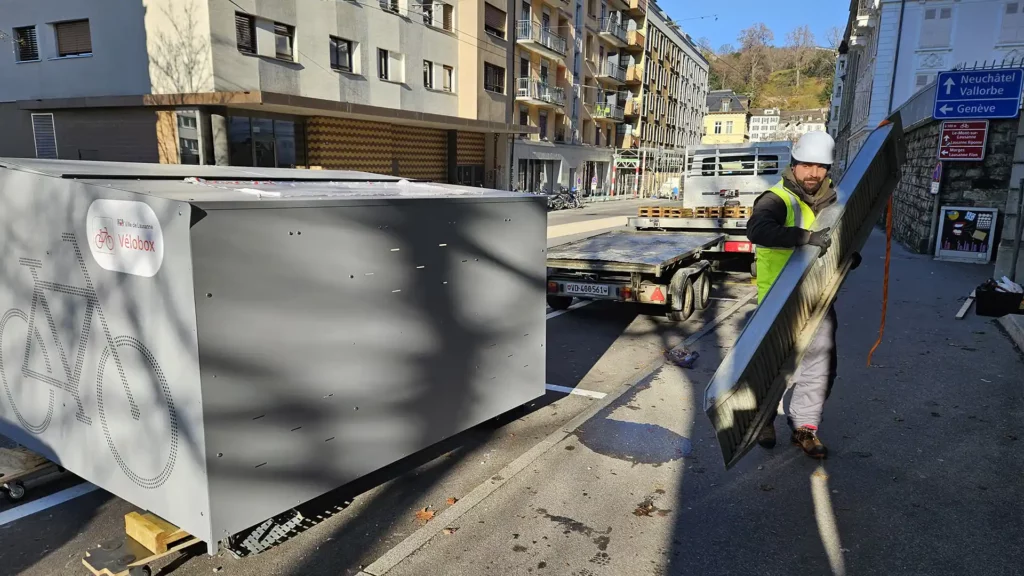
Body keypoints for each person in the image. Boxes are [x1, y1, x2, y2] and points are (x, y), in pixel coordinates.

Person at [746, 130, 846, 460]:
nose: (813, 173)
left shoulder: (835, 201)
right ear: (795, 164)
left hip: (819, 298)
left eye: (821, 167)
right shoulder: (777, 198)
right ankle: (764, 421)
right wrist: (805, 237)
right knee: (775, 368)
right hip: (779, 301)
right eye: (807, 165)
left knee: (819, 369)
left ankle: (805, 428)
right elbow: (758, 229)